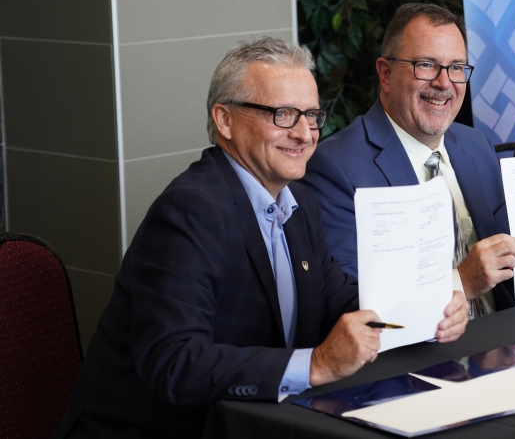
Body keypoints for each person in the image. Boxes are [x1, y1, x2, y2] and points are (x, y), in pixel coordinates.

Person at [55, 38, 467, 439]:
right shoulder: (190, 210)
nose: (305, 134)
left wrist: (430, 309)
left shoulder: (300, 200)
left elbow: (341, 301)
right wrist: (317, 365)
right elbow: (173, 363)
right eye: (283, 115)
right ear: (224, 120)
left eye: (311, 116)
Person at [302, 3, 515, 317]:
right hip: (419, 359)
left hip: (510, 337)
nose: (444, 84)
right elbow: (350, 308)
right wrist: (459, 283)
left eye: (457, 67)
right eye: (426, 65)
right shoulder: (336, 168)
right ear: (385, 74)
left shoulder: (475, 146)